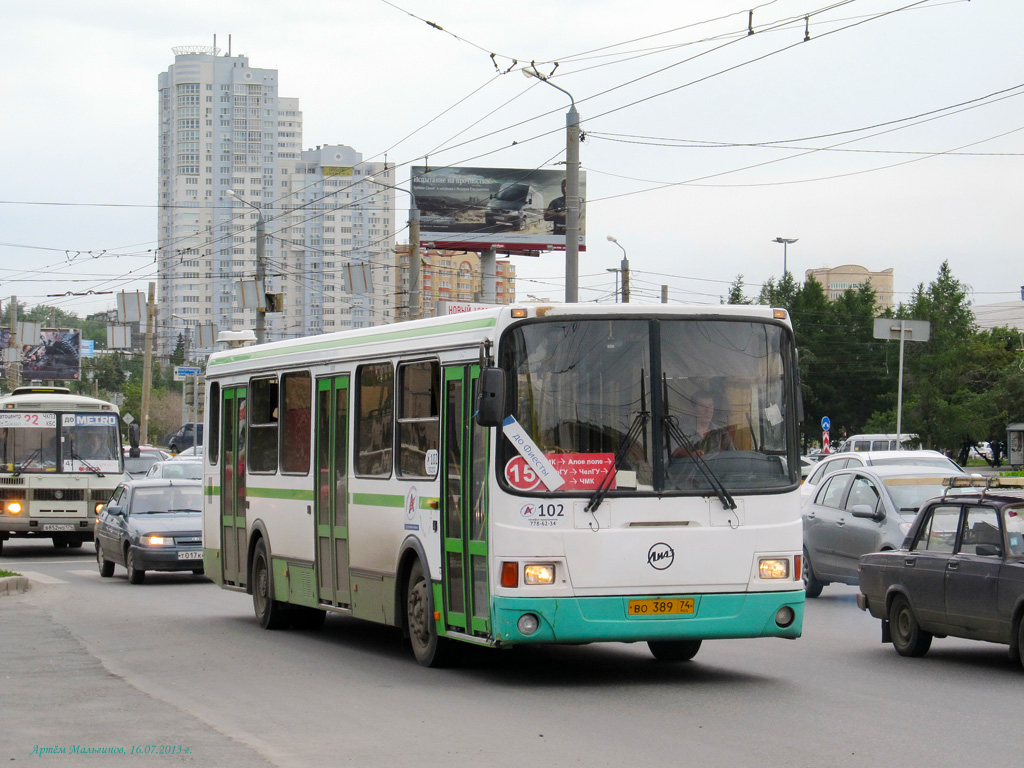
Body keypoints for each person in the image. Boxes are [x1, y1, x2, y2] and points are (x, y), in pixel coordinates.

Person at [672, 391, 734, 457]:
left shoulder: (722, 433)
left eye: (710, 406)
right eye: (702, 406)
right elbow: (674, 455)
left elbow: (733, 457)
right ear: (693, 409)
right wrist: (691, 454)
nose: (708, 411)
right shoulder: (681, 432)